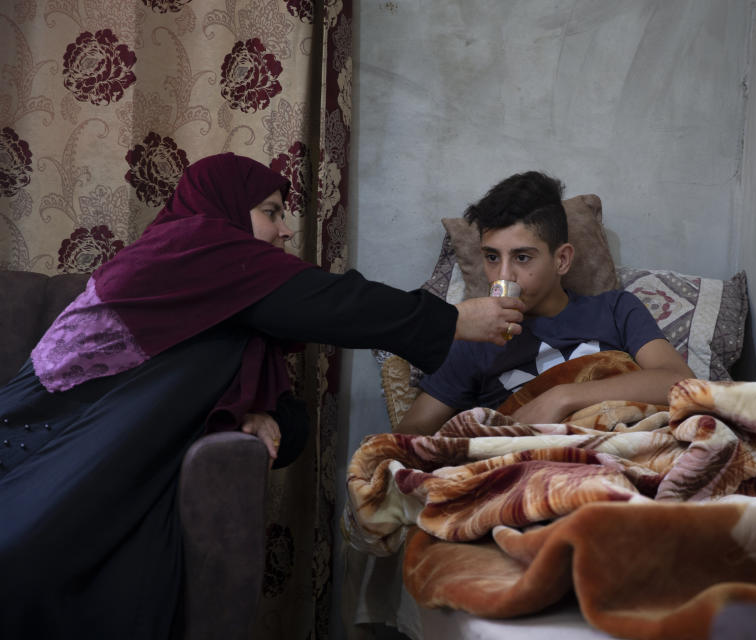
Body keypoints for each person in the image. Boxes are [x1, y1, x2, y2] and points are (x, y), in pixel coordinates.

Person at [0, 153, 523, 639]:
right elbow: (335, 303)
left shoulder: (226, 303)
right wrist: (454, 319)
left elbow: (285, 424)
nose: (284, 228)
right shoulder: (193, 246)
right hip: (45, 427)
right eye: (271, 212)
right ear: (224, 208)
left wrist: (255, 407)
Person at [397, 171, 695, 436]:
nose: (503, 276)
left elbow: (679, 381)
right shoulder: (474, 340)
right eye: (491, 257)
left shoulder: (615, 310)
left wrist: (561, 397)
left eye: (522, 257)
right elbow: (410, 434)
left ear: (562, 259)